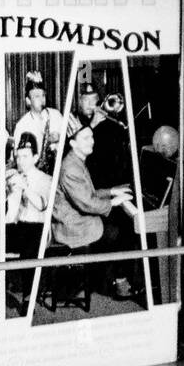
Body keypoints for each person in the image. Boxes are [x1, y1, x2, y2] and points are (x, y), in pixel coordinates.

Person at [51, 125, 140, 302]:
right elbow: (86, 203)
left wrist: (111, 191)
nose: (91, 141)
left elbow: (88, 193)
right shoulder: (71, 168)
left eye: (92, 137)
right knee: (119, 232)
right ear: (73, 142)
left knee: (121, 224)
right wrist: (113, 202)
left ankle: (114, 279)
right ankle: (120, 283)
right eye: (85, 138)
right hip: (73, 227)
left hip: (78, 220)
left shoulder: (76, 161)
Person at [3, 134, 51, 303]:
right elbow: (9, 212)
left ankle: (28, 298)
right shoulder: (12, 176)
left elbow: (41, 205)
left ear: (36, 158)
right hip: (18, 224)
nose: (20, 160)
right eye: (18, 156)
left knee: (29, 251)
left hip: (38, 226)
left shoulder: (45, 179)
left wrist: (24, 187)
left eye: (25, 156)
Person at [13, 73, 65, 176]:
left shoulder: (56, 115)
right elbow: (17, 156)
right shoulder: (22, 125)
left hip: (59, 171)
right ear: (28, 101)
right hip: (35, 173)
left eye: (43, 95)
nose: (42, 100)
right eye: (37, 96)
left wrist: (61, 138)